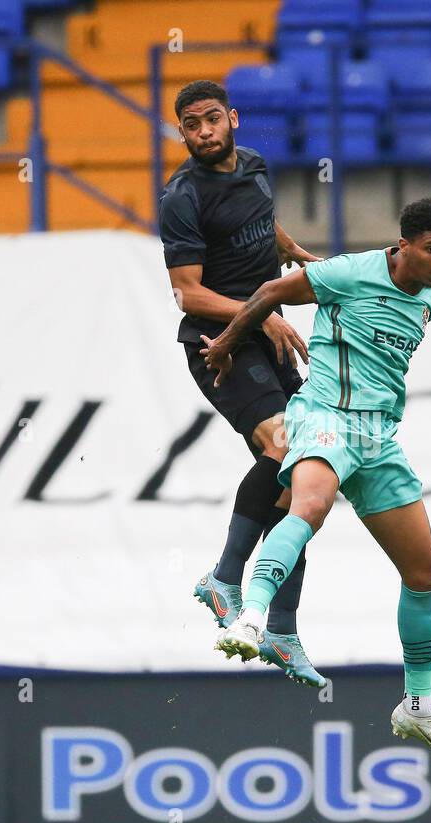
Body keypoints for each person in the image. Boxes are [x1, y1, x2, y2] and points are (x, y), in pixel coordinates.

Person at [199, 197, 431, 768]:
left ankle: (418, 705)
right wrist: (225, 344)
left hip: (379, 438)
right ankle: (251, 618)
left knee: (427, 572)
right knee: (311, 506)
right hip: (325, 416)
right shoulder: (350, 273)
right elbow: (274, 293)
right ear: (404, 246)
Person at [158, 80, 326, 687]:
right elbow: (189, 292)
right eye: (190, 125)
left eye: (210, 120)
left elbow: (264, 227)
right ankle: (225, 579)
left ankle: (281, 627)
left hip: (265, 331)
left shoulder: (254, 167)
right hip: (217, 345)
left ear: (231, 118)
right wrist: (264, 311)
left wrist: (301, 257)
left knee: (308, 477)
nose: (203, 132)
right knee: (284, 447)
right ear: (182, 132)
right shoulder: (181, 196)